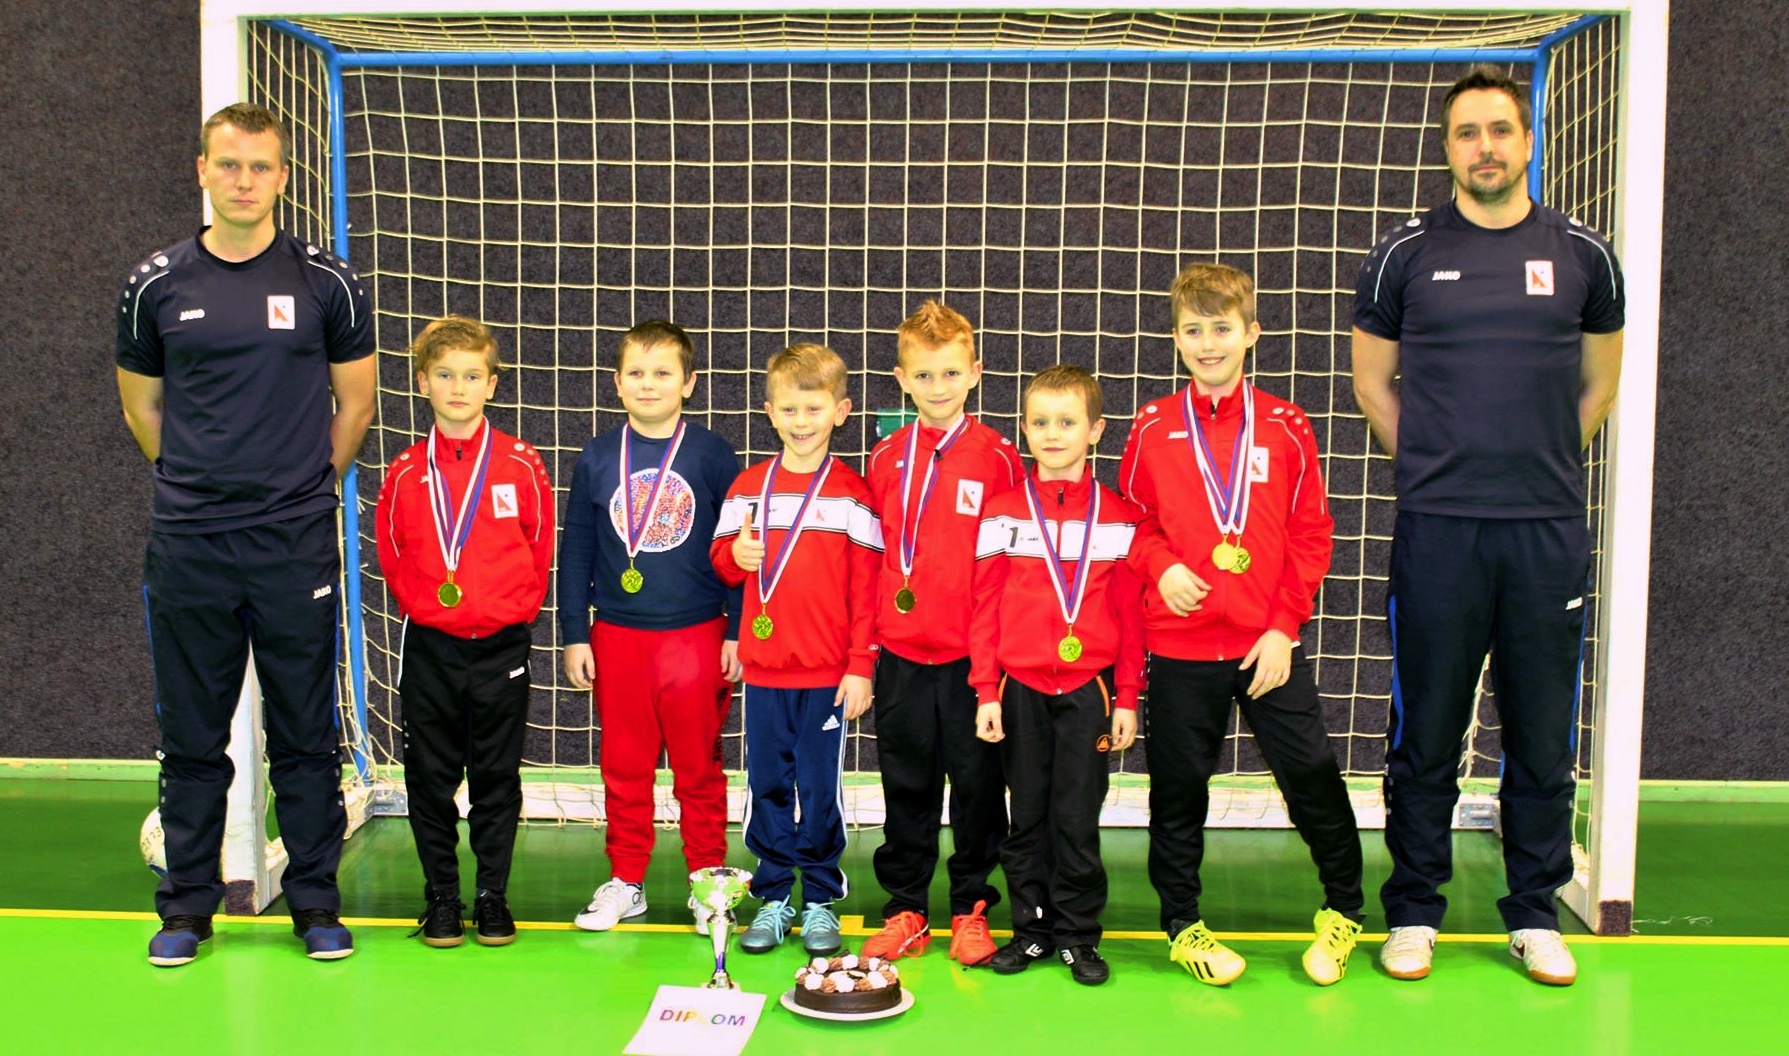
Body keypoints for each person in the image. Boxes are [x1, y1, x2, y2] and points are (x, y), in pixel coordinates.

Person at [1351, 66, 1625, 987]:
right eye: (1466, 132)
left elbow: (1598, 387)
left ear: (1526, 140)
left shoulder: (1584, 256)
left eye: (1499, 130)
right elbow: (1371, 386)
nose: (1485, 147)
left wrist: (1528, 461)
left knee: (1541, 733)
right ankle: (1413, 911)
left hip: (1544, 531)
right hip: (1438, 531)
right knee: (1425, 732)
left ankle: (1533, 914)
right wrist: (1441, 465)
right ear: (1446, 148)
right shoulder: (1403, 255)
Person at [116, 103, 376, 966]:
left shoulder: (326, 283)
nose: (243, 181)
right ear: (202, 170)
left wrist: (298, 491)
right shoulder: (155, 284)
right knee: (193, 738)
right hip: (190, 544)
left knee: (305, 735)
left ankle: (315, 904)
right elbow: (142, 409)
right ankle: (187, 909)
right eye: (228, 164)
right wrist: (200, 484)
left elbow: (356, 405)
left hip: (293, 545)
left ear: (282, 178)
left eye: (260, 167)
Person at [1120, 263, 1365, 987]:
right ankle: (1183, 925)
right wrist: (1161, 566)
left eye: (1221, 328)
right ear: (1175, 339)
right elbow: (1133, 522)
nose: (1208, 344)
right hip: (1180, 645)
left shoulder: (1287, 426)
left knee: (1312, 777)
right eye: (1193, 330)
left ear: (1251, 334)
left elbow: (1310, 534)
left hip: (1267, 645)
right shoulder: (1152, 426)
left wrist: (1282, 626)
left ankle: (1343, 912)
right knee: (1177, 793)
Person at [374, 316, 554, 948]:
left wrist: (509, 610)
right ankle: (443, 898)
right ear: (422, 382)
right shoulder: (404, 471)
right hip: (432, 646)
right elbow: (393, 553)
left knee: (496, 778)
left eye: (472, 376)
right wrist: (434, 608)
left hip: (502, 646)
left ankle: (492, 896)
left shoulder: (521, 464)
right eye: (445, 375)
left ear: (492, 384)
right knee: (429, 778)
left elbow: (539, 548)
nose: (458, 387)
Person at [559, 320, 743, 933]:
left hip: (696, 634)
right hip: (617, 636)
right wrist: (575, 632)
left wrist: (737, 631)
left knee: (698, 768)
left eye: (663, 373)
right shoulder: (596, 455)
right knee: (624, 766)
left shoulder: (712, 454)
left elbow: (738, 548)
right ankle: (627, 879)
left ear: (688, 383)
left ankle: (707, 881)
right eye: (635, 372)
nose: (648, 384)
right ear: (616, 383)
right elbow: (577, 548)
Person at [969, 364, 1144, 987]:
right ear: (1024, 429)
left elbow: (1131, 616)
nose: (1052, 434)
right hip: (1019, 689)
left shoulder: (1119, 517)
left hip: (1089, 691)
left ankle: (1077, 935)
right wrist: (985, 690)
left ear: (1095, 430)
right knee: (1026, 818)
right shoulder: (1001, 514)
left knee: (1076, 818)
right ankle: (1032, 930)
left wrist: (1127, 696)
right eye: (1040, 422)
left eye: (1067, 422)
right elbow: (984, 606)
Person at [860, 301, 1024, 966]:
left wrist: (993, 670)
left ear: (975, 373)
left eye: (951, 373)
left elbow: (1011, 570)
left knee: (980, 790)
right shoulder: (883, 456)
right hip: (901, 655)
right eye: (923, 375)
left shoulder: (999, 459)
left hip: (971, 662)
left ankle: (970, 909)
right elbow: (874, 559)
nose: (937, 387)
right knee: (906, 786)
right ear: (901, 379)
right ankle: (905, 909)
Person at [709, 343, 881, 957]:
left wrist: (861, 665)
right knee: (768, 785)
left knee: (818, 786)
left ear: (841, 411)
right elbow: (720, 562)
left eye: (814, 408)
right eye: (789, 409)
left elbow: (867, 591)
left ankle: (821, 900)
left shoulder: (854, 494)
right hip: (765, 673)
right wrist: (736, 555)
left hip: (829, 675)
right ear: (769, 412)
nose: (801, 421)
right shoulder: (748, 487)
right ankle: (775, 895)